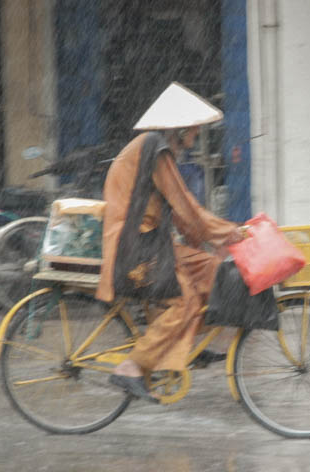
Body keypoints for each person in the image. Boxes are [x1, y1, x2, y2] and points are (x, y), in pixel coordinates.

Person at [96, 82, 243, 402]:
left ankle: (182, 346)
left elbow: (178, 213)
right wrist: (224, 233)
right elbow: (185, 206)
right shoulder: (153, 148)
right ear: (178, 130)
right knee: (184, 300)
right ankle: (133, 366)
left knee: (211, 270)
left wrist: (206, 242)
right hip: (133, 246)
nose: (194, 139)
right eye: (192, 131)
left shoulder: (154, 150)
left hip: (149, 240)